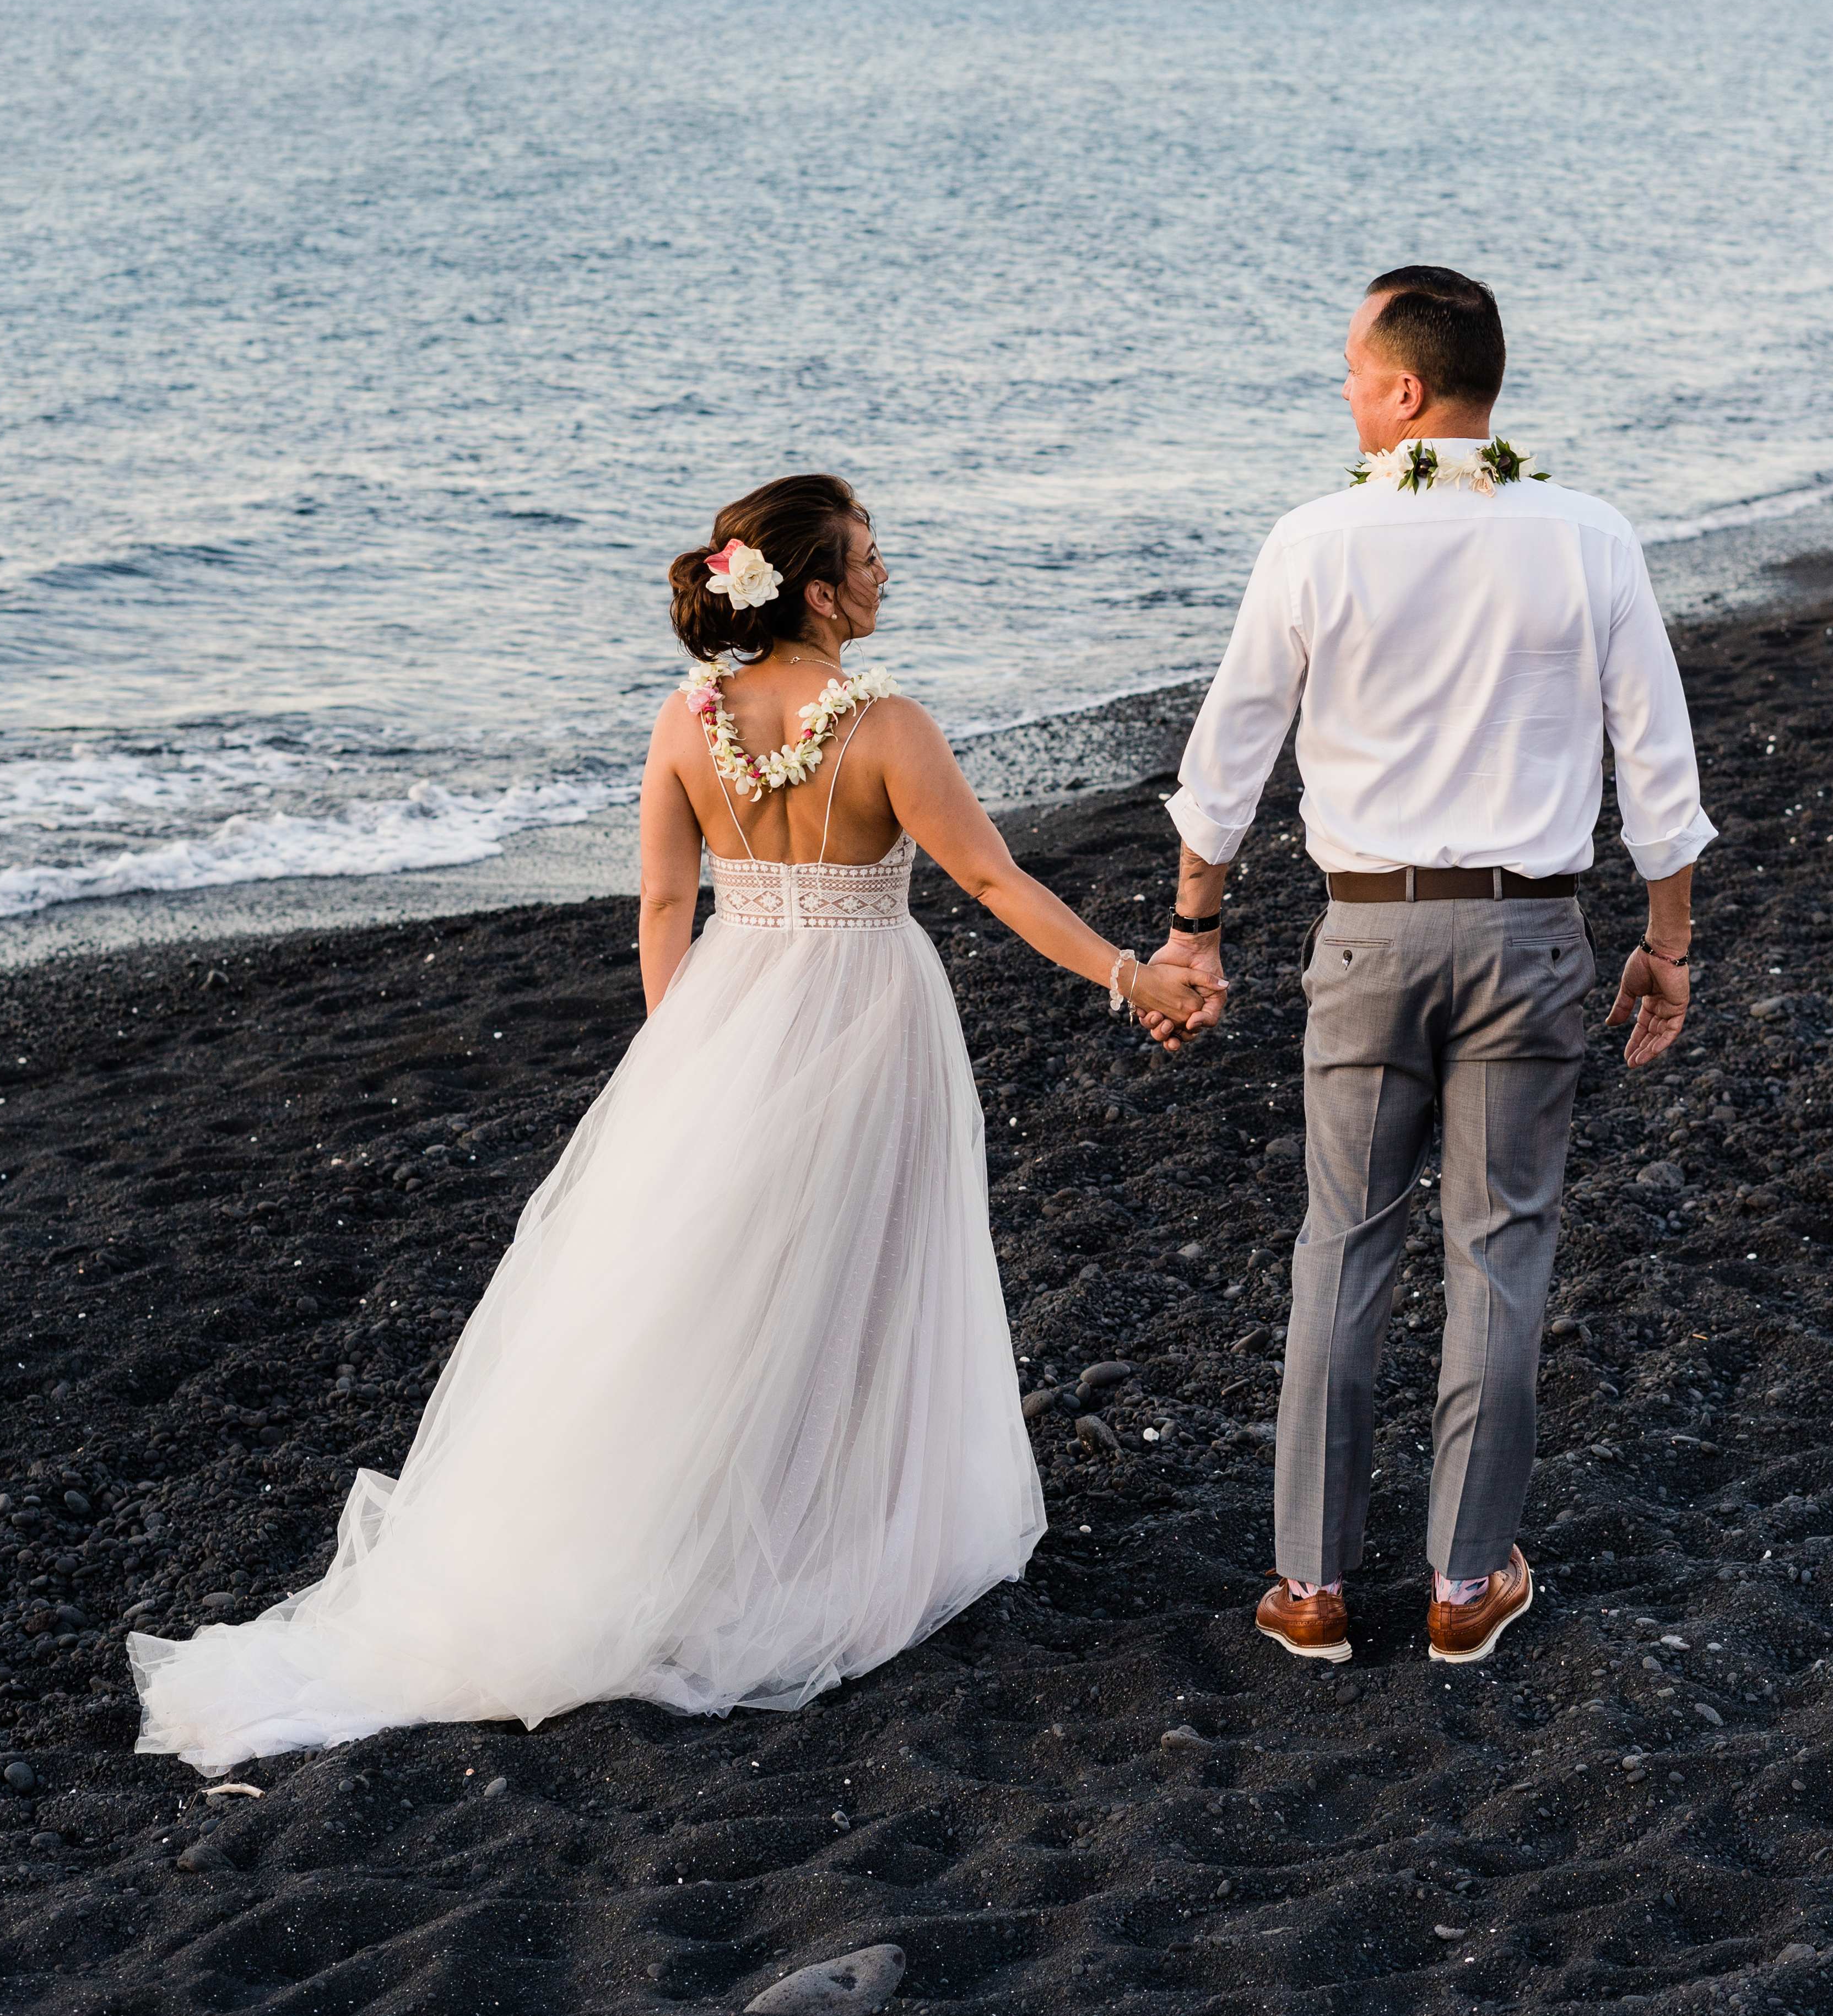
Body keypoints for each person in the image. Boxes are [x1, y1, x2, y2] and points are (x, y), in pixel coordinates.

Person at [130, 473, 1207, 1772]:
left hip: (730, 1010)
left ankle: (710, 1526)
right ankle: (822, 1540)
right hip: (865, 1010)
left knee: (724, 1283)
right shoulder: (886, 724)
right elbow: (988, 876)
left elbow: (660, 906)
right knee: (853, 1271)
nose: (884, 576)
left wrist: (678, 1058)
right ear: (814, 589)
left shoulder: (687, 720)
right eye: (869, 557)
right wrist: (1130, 974)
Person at [1149, 268, 1715, 1671]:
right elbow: (1658, 765)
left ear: (1406, 390)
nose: (1341, 389)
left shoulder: (1313, 539)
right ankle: (1467, 1581)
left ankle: (1314, 1586)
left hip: (1367, 932)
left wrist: (1195, 925)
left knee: (1340, 1242)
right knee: (1500, 1245)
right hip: (1533, 933)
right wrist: (1668, 943)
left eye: (1353, 368)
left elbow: (1227, 762)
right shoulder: (1587, 534)